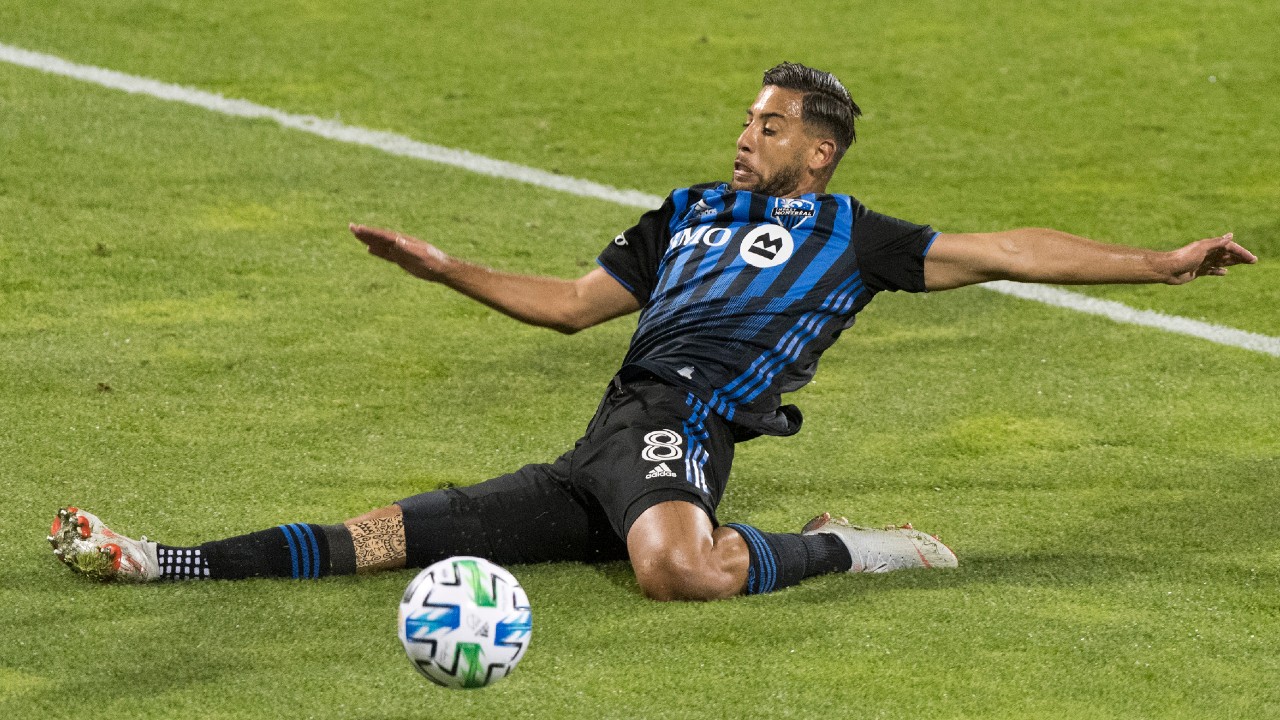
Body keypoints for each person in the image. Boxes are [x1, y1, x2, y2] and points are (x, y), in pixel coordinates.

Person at [49, 62, 1256, 600]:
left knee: (680, 573)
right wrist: (443, 268)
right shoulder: (681, 214)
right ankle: (161, 559)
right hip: (608, 444)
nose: (746, 135)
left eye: (769, 126)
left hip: (686, 430)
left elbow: (1011, 250)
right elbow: (574, 306)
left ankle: (859, 549)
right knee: (384, 537)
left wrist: (1159, 261)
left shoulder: (856, 237)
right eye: (746, 118)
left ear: (818, 151)